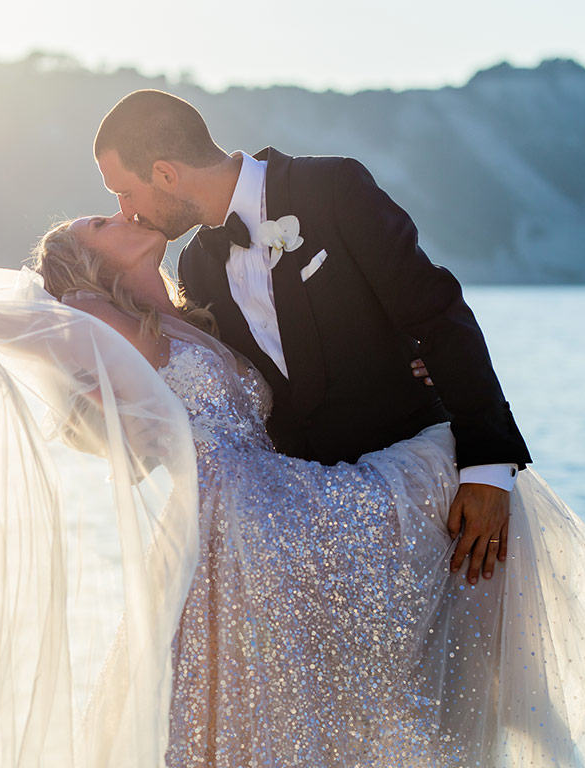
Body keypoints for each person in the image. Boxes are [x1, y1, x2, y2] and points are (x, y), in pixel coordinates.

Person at [0, 185, 585, 767]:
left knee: (312, 691)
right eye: (101, 221)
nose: (121, 212)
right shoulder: (82, 318)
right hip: (240, 516)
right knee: (459, 471)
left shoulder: (193, 312)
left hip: (261, 516)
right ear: (89, 262)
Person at [94, 89, 530, 587]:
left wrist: (489, 467)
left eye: (125, 191)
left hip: (435, 500)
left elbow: (437, 312)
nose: (124, 209)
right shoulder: (198, 264)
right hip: (323, 534)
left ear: (166, 173)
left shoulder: (333, 187)